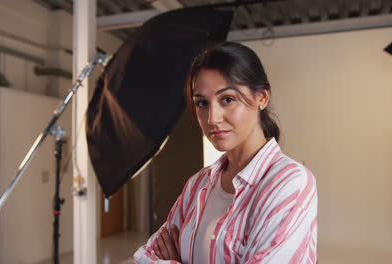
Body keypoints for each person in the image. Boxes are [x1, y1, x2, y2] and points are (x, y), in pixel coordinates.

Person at [134, 42, 318, 264]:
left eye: (227, 99)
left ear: (262, 97)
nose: (212, 118)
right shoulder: (198, 184)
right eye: (202, 103)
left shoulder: (290, 183)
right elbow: (144, 257)